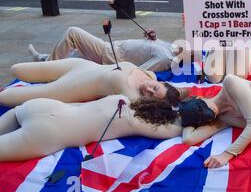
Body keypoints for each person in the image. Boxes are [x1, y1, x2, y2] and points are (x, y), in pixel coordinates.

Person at [0, 95, 182, 162]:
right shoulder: (138, 124)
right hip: (48, 134)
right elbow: (178, 132)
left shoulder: (122, 98)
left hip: (42, 106)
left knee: (16, 114)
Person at [0, 58, 183, 107]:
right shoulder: (151, 76)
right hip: (82, 66)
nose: (149, 89)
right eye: (155, 88)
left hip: (72, 88)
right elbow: (182, 92)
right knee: (17, 69)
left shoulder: (133, 97)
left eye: (150, 95)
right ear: (162, 84)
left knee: (6, 97)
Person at [28, 26, 177, 72]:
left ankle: (45, 68)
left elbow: (140, 71)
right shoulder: (169, 46)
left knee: (72, 33)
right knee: (70, 60)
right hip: (112, 48)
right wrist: (153, 38)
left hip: (109, 55)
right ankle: (43, 59)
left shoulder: (166, 57)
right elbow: (150, 48)